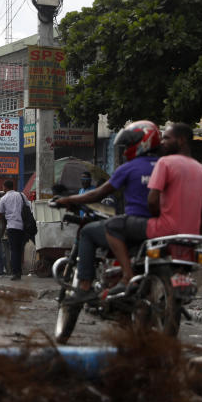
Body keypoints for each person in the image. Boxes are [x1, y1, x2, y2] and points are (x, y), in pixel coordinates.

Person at [55, 119, 162, 299]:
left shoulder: (128, 168)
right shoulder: (165, 166)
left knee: (87, 232)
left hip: (135, 225)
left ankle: (85, 286)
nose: (127, 148)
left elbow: (96, 195)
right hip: (163, 226)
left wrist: (67, 199)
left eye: (130, 143)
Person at [106, 122, 202, 284]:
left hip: (164, 229)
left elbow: (152, 200)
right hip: (190, 236)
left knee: (113, 225)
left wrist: (156, 216)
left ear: (181, 140)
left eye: (167, 138)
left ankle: (127, 275)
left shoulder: (165, 163)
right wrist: (196, 237)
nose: (162, 142)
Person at [0, 179, 33, 280]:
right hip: (23, 227)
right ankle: (19, 270)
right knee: (20, 250)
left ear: (5, 187)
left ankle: (16, 273)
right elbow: (29, 207)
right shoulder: (21, 195)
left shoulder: (3, 199)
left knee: (14, 250)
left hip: (12, 227)